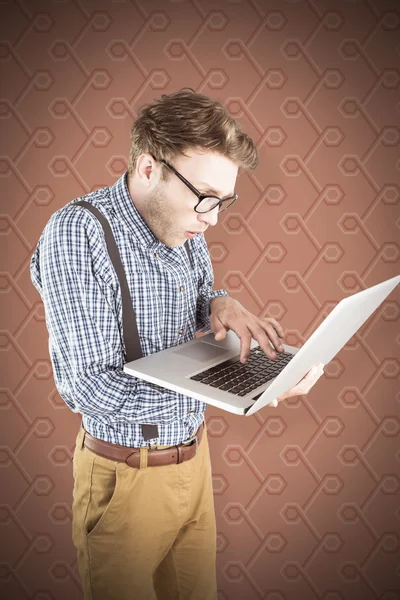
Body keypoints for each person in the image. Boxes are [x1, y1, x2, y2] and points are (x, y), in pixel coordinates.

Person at [30, 89, 324, 600]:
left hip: (195, 462)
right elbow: (88, 389)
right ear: (149, 168)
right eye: (205, 198)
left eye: (223, 202)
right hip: (126, 477)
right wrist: (240, 391)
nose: (213, 219)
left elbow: (200, 295)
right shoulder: (78, 233)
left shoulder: (184, 224)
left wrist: (222, 302)